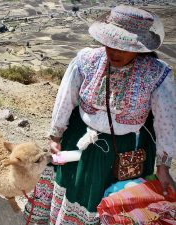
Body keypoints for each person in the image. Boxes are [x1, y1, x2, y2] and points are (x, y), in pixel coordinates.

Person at [24, 5, 176, 224]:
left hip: (127, 151)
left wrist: (162, 166)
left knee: (120, 200)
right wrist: (55, 136)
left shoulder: (156, 73)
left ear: (138, 47)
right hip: (79, 142)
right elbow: (66, 98)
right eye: (110, 44)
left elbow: (166, 122)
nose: (114, 52)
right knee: (76, 188)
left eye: (123, 47)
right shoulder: (87, 61)